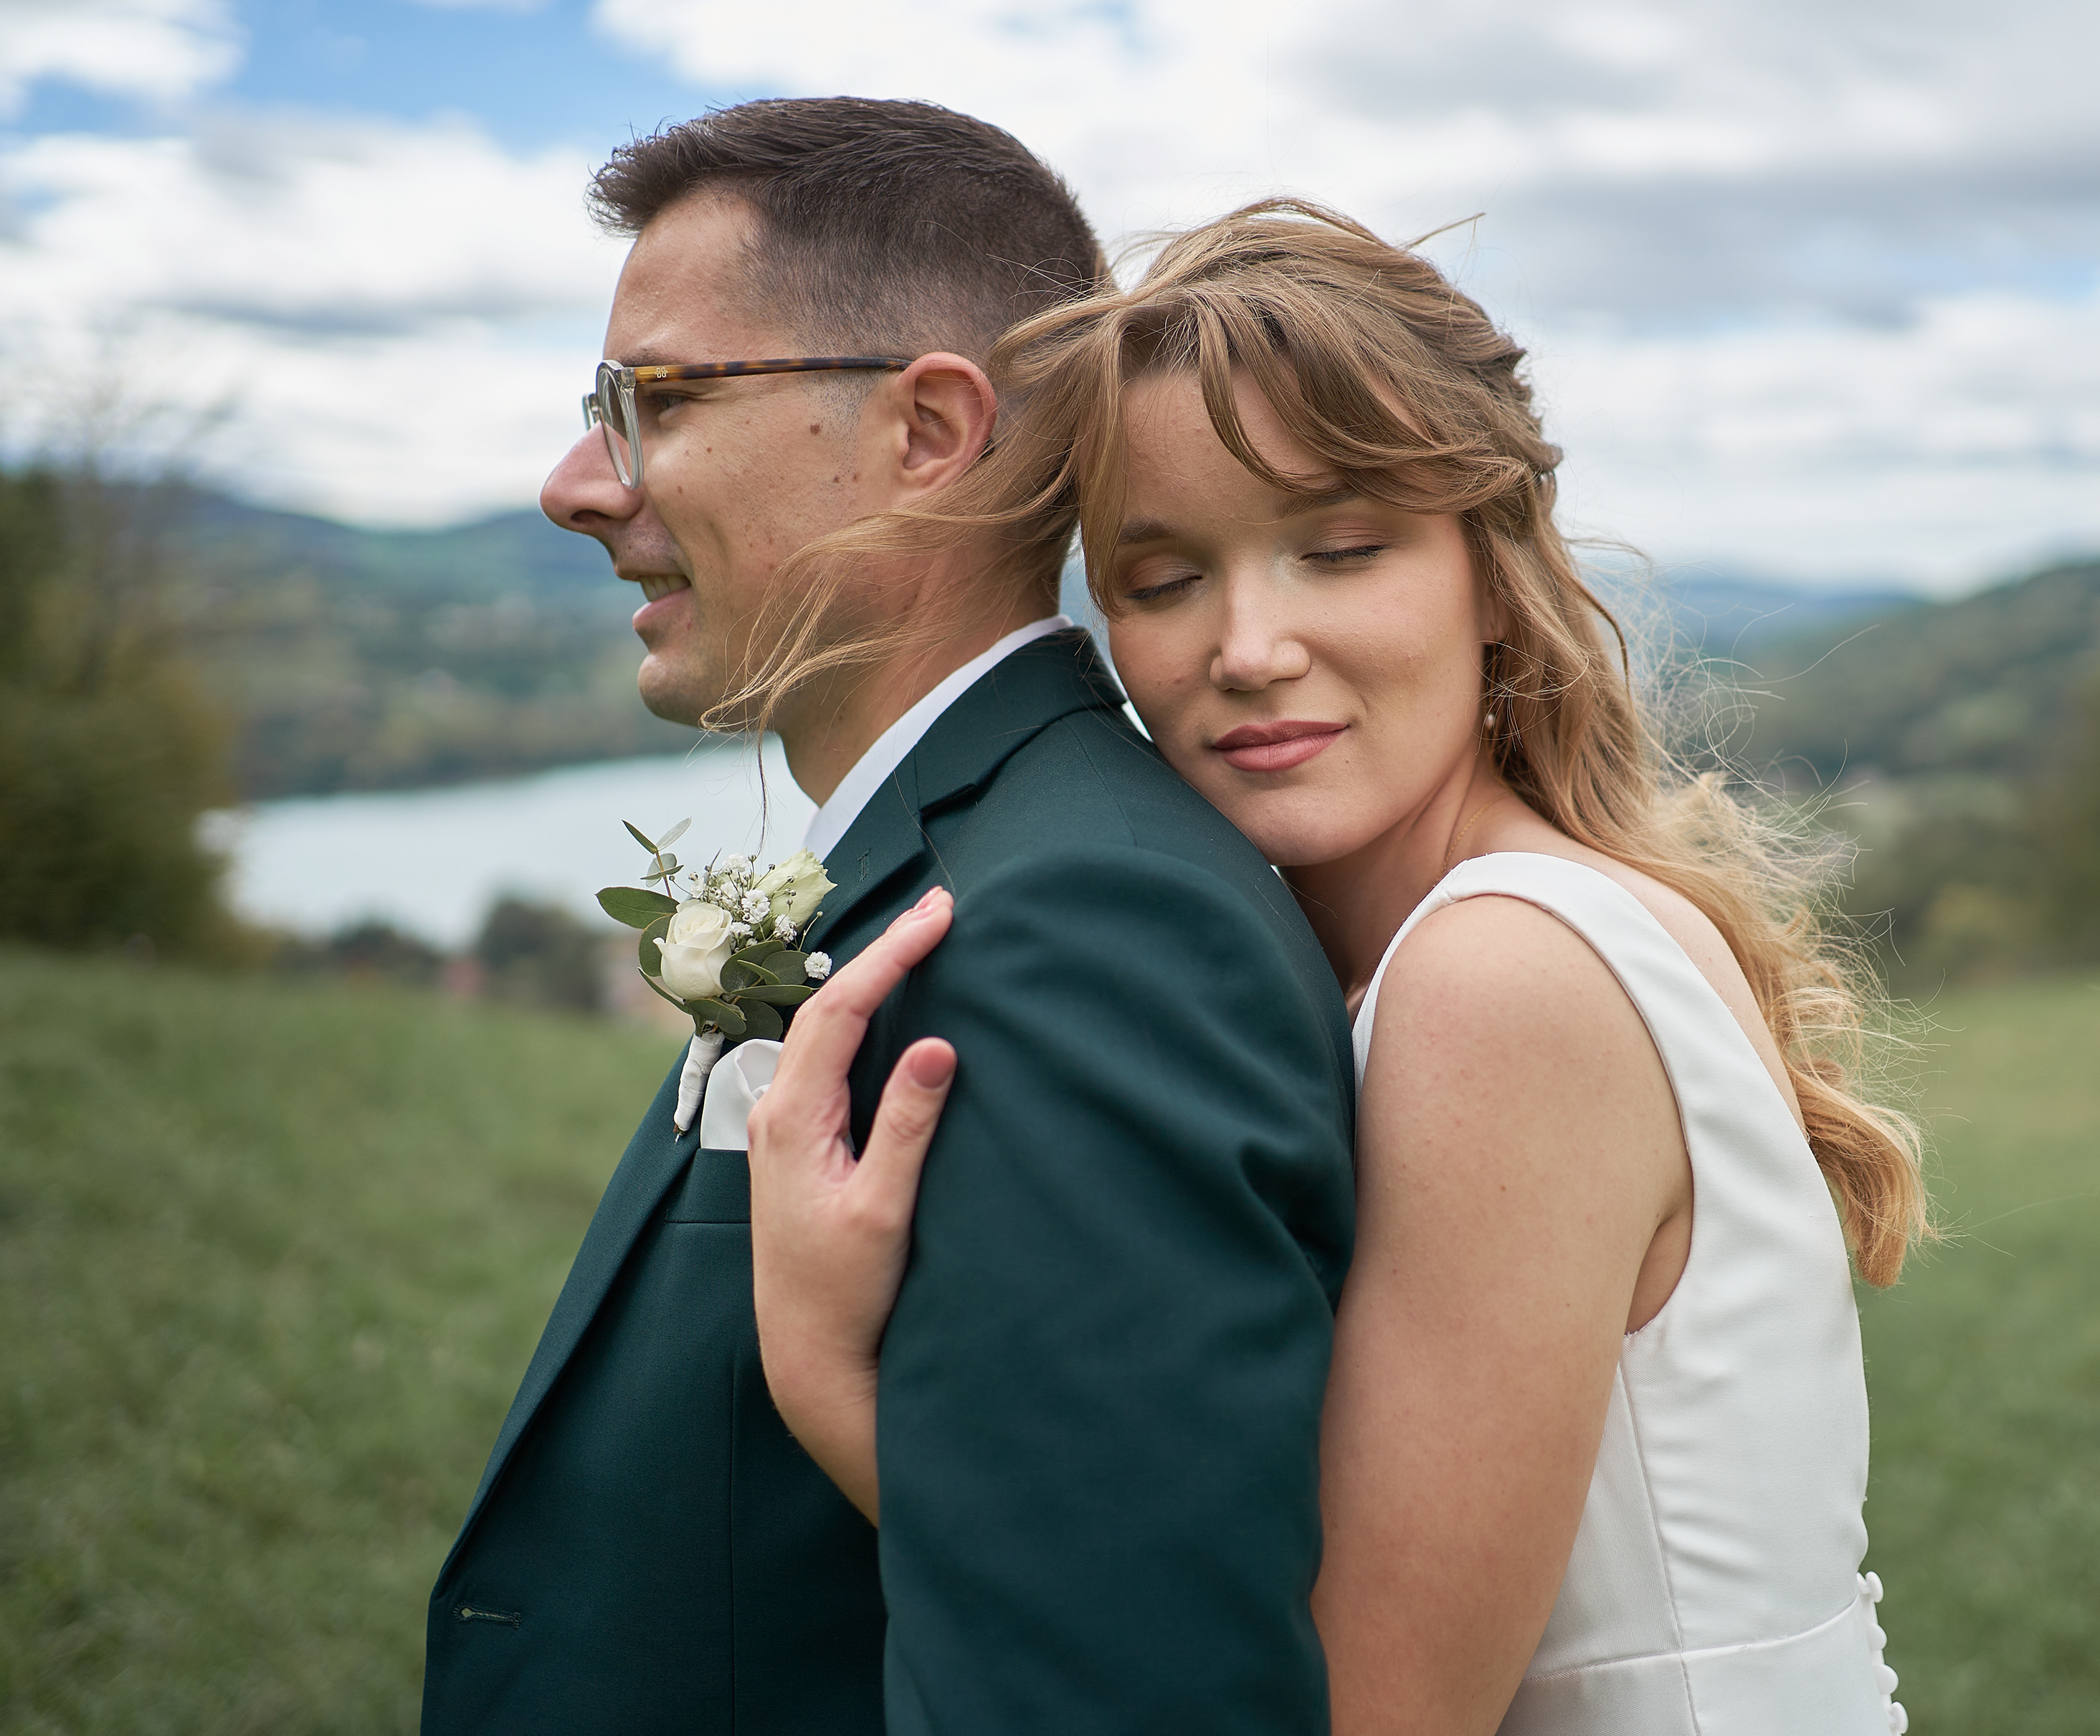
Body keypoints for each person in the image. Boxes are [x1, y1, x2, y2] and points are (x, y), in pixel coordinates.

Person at [749, 201, 1928, 1735]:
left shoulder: (1505, 976)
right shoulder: (1426, 950)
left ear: (1491, 569)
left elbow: (1358, 1715)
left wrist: (833, 1377)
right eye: (1161, 580)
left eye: (1343, 549)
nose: (1248, 647)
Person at [420, 105, 1359, 1735]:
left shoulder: (1088, 929)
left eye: (657, 401)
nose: (577, 486)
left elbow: (1117, 1692)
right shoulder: (955, 871)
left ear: (928, 428)